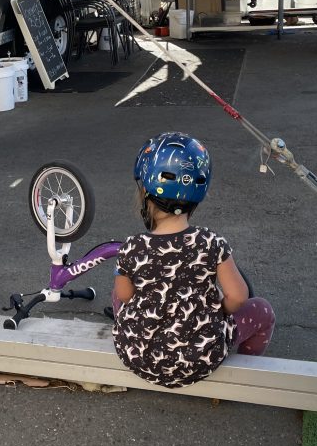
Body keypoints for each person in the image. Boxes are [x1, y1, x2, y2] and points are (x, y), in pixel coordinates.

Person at [112, 132, 275, 388]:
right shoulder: (212, 243)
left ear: (144, 190)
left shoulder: (131, 247)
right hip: (201, 357)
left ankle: (140, 335)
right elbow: (239, 297)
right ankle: (244, 375)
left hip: (139, 357)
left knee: (120, 291)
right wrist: (218, 311)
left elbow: (123, 296)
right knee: (263, 310)